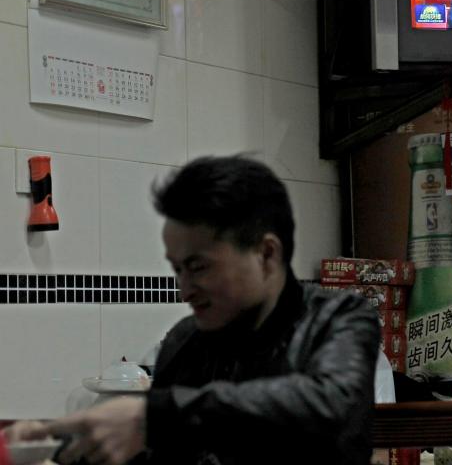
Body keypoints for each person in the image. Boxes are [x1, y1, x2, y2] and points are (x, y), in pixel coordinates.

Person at [3, 155, 380, 465]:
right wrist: (58, 447)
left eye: (198, 267)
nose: (185, 290)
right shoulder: (187, 340)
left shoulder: (338, 318)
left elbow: (330, 404)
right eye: (177, 269)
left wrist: (155, 416)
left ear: (266, 254)